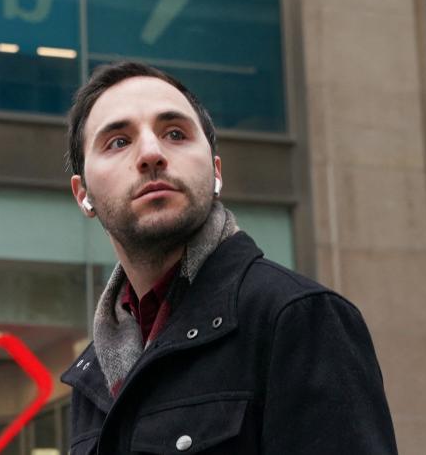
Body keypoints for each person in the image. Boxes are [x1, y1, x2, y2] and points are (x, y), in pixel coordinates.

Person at [61, 61, 398, 454]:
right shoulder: (93, 374)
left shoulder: (296, 317)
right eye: (118, 141)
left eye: (175, 134)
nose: (151, 153)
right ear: (82, 194)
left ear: (216, 172)